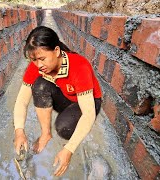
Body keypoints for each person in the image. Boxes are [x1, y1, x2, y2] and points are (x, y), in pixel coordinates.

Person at [13, 26, 102, 177]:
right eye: (34, 60)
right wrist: (19, 131)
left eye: (42, 59)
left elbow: (88, 113)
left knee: (64, 128)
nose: (38, 65)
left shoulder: (79, 65)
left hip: (88, 102)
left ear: (56, 51)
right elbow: (22, 100)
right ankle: (46, 134)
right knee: (40, 85)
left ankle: (71, 131)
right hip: (66, 97)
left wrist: (69, 149)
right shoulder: (37, 66)